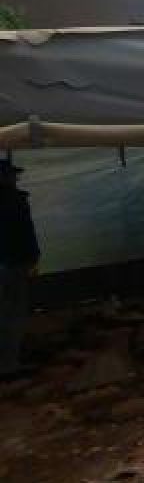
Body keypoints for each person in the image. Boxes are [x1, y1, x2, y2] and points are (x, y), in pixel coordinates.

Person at [1, 160, 41, 377]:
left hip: (9, 262)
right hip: (13, 263)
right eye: (12, 175)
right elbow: (24, 232)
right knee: (13, 312)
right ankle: (9, 364)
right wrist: (33, 257)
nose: (16, 179)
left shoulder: (15, 199)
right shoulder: (15, 201)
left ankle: (8, 361)